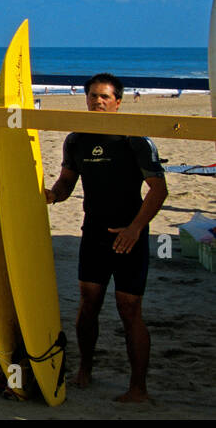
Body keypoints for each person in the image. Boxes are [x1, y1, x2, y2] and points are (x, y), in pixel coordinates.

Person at [46, 73, 167, 403]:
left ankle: (138, 387)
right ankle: (85, 369)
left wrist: (135, 229)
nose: (97, 101)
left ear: (118, 102)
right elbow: (67, 182)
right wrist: (52, 195)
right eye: (92, 96)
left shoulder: (134, 139)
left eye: (104, 97)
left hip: (130, 236)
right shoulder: (76, 140)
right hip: (94, 234)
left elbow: (158, 190)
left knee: (129, 309)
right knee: (88, 306)